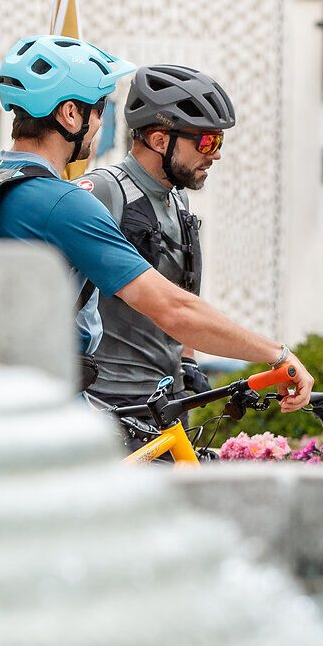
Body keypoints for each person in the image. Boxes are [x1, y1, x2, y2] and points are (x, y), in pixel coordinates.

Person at [0, 35, 313, 422]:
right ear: (70, 114)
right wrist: (278, 354)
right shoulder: (74, 199)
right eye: (98, 108)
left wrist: (188, 364)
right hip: (98, 405)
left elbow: (180, 294)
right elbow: (173, 309)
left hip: (42, 401)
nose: (101, 123)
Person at [77, 64, 233, 412]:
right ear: (160, 140)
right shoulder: (103, 190)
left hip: (168, 398)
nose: (217, 153)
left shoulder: (178, 197)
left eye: (219, 140)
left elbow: (183, 290)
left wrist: (189, 360)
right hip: (111, 403)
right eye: (208, 140)